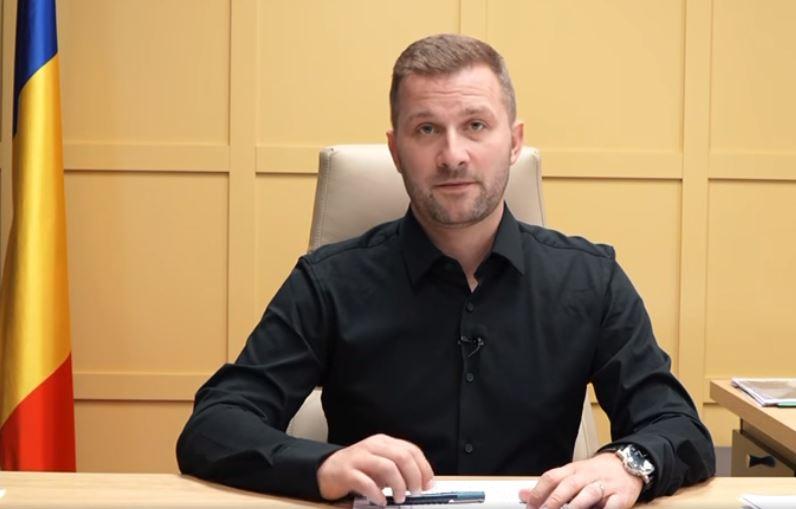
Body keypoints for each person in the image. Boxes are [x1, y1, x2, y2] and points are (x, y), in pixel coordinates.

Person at [177, 34, 715, 509]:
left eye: (475, 125)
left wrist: (628, 464)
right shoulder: (328, 282)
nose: (452, 155)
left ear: (514, 141)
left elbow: (677, 425)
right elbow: (215, 426)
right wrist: (322, 466)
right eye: (427, 129)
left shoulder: (591, 280)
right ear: (396, 150)